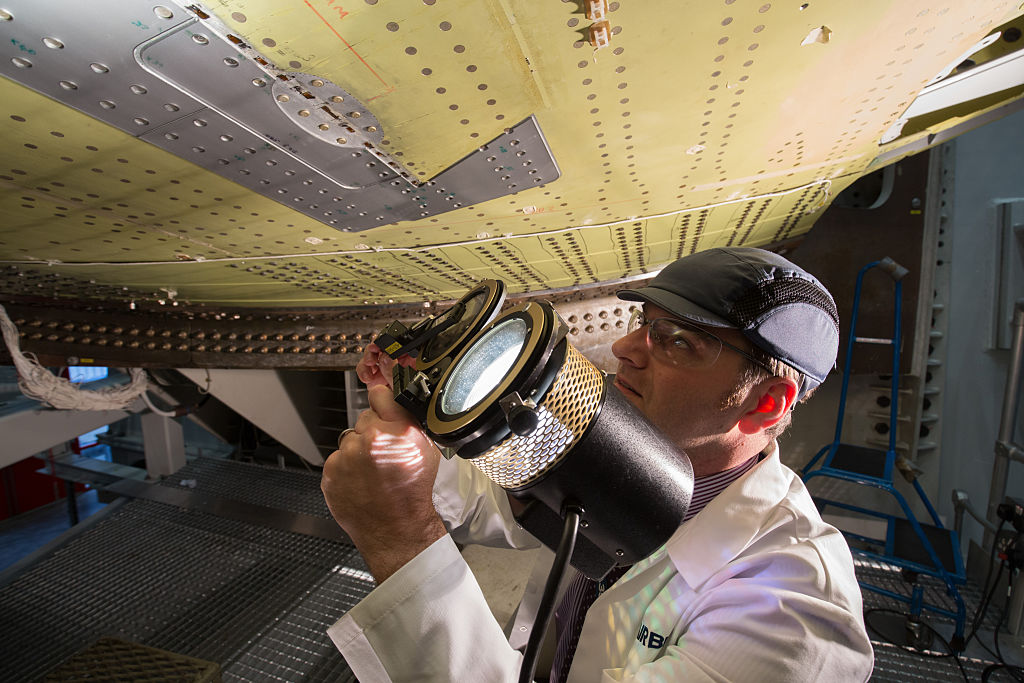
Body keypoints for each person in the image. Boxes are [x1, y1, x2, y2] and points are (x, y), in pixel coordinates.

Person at [321, 247, 875, 681]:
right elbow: (486, 500)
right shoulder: (614, 451)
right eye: (644, 321)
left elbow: (419, 519)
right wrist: (405, 429)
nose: (626, 348)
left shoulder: (793, 608)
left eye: (677, 341)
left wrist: (400, 536)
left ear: (765, 403)